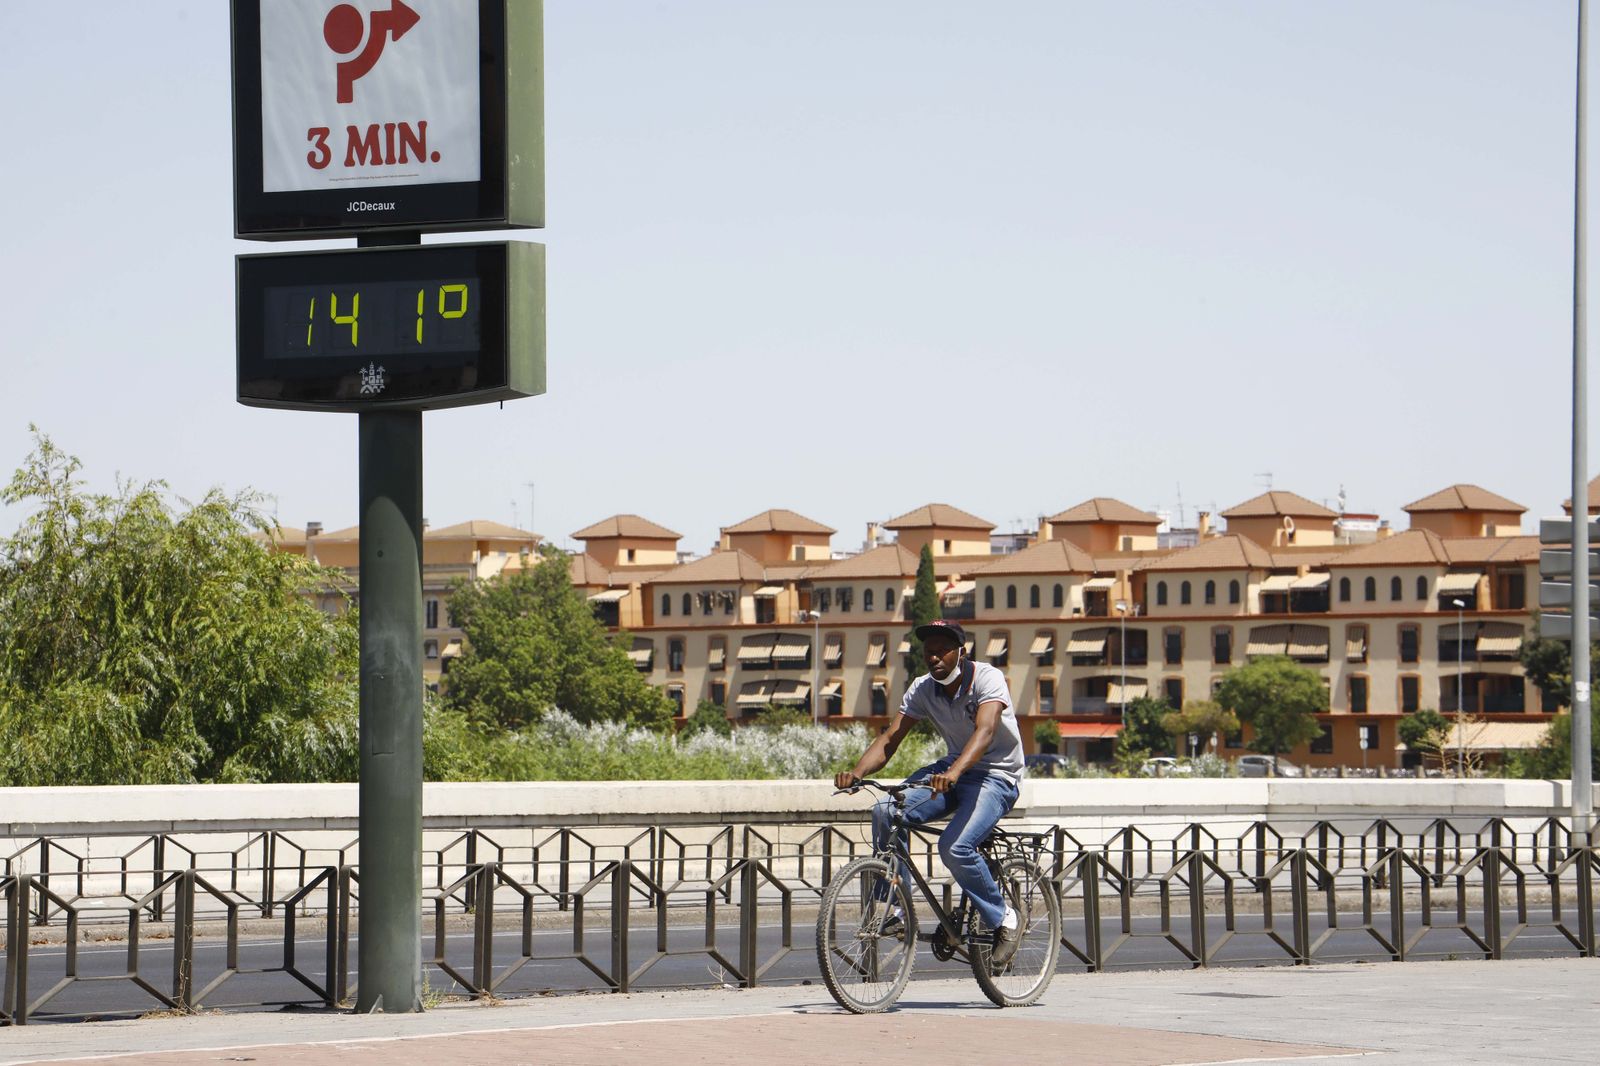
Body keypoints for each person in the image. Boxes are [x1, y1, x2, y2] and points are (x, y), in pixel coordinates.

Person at [834, 618, 1025, 962]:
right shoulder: (923, 688)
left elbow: (984, 731)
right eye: (929, 652)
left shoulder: (987, 678)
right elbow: (891, 738)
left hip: (996, 776)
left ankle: (1005, 918)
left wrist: (954, 771)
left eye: (942, 651)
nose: (934, 658)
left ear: (960, 653)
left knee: (954, 846)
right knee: (886, 812)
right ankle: (896, 910)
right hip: (952, 770)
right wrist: (857, 773)